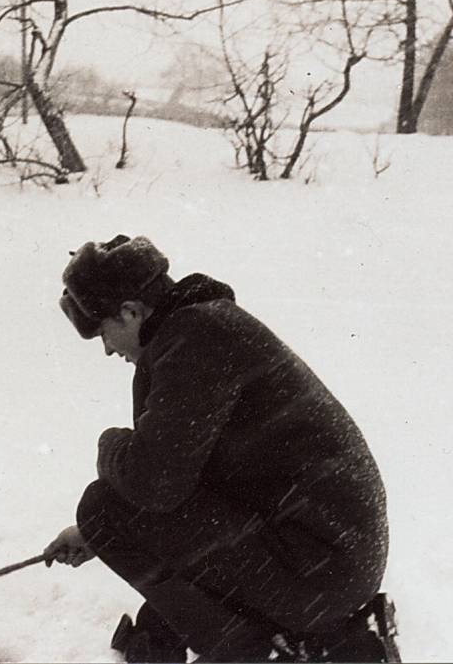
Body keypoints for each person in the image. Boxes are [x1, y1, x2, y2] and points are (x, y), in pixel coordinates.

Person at [44, 235, 396, 663]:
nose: (106, 348)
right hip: (326, 560)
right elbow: (188, 478)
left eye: (103, 332)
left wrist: (108, 445)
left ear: (131, 311)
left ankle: (260, 654)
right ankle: (280, 637)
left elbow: (155, 485)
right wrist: (98, 538)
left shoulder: (193, 341)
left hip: (320, 573)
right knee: (112, 512)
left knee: (101, 507)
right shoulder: (198, 328)